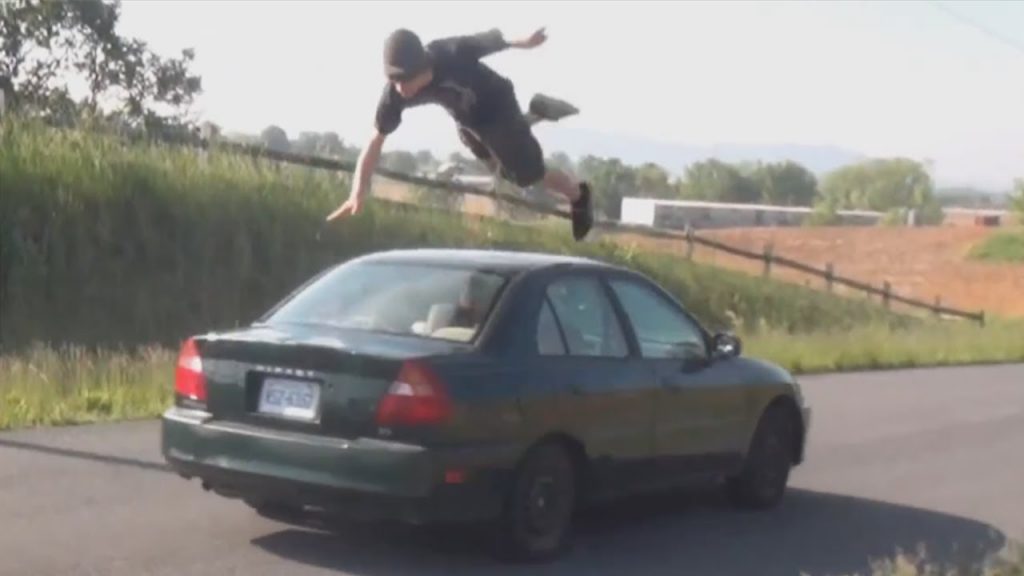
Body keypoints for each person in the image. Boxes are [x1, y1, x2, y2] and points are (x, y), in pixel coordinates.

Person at [325, 27, 594, 241]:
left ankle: (578, 195)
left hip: (498, 103)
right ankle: (534, 116)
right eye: (394, 81)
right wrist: (357, 191)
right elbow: (375, 140)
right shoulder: (394, 96)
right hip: (467, 119)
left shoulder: (450, 53)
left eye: (405, 81)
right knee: (497, 166)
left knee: (527, 176)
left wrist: (525, 42)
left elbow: (491, 40)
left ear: (422, 68)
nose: (400, 90)